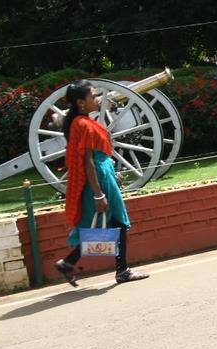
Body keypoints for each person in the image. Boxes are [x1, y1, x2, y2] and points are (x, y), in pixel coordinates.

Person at [53, 80, 149, 286]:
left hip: (102, 175)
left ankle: (68, 262)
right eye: (93, 96)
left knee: (103, 224)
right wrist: (99, 194)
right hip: (98, 179)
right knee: (119, 223)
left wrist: (111, 174)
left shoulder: (80, 122)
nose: (97, 99)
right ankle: (122, 271)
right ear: (81, 102)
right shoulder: (83, 124)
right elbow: (87, 160)